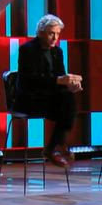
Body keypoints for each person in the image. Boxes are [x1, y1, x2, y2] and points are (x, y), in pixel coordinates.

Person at [15, 14, 83, 167]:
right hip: (30, 99)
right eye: (51, 33)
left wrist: (70, 85)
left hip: (51, 98)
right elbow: (29, 81)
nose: (55, 38)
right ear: (40, 32)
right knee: (66, 105)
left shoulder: (57, 52)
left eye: (58, 34)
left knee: (68, 99)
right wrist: (59, 81)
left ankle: (52, 148)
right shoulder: (27, 50)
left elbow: (61, 77)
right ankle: (57, 145)